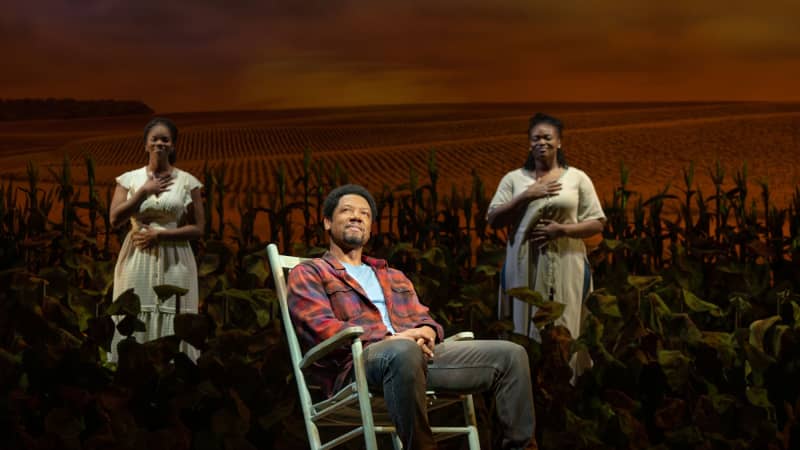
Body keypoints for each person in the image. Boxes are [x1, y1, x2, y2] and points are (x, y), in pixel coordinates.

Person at [288, 184, 536, 450]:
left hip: (415, 359)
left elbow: (424, 318)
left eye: (365, 214)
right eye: (347, 211)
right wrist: (395, 338)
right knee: (402, 351)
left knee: (511, 356)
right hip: (359, 365)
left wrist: (428, 332)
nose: (356, 217)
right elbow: (321, 327)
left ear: (370, 226)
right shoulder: (310, 272)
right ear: (327, 222)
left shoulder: (393, 275)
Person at [488, 113, 605, 355]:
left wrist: (562, 230)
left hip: (567, 261)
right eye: (536, 138)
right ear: (529, 143)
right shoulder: (513, 179)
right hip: (524, 264)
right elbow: (494, 220)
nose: (542, 142)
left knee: (566, 323)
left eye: (548, 137)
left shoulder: (577, 178)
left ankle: (567, 384)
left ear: (559, 142)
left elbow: (597, 222)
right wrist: (527, 195)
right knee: (524, 325)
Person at [109, 117, 205, 362]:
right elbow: (115, 219)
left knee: (175, 314)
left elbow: (199, 227)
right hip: (137, 256)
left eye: (166, 139)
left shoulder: (187, 182)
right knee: (135, 312)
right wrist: (143, 192)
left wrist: (160, 234)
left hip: (176, 258)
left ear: (173, 145)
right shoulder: (129, 179)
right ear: (145, 144)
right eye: (155, 139)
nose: (160, 143)